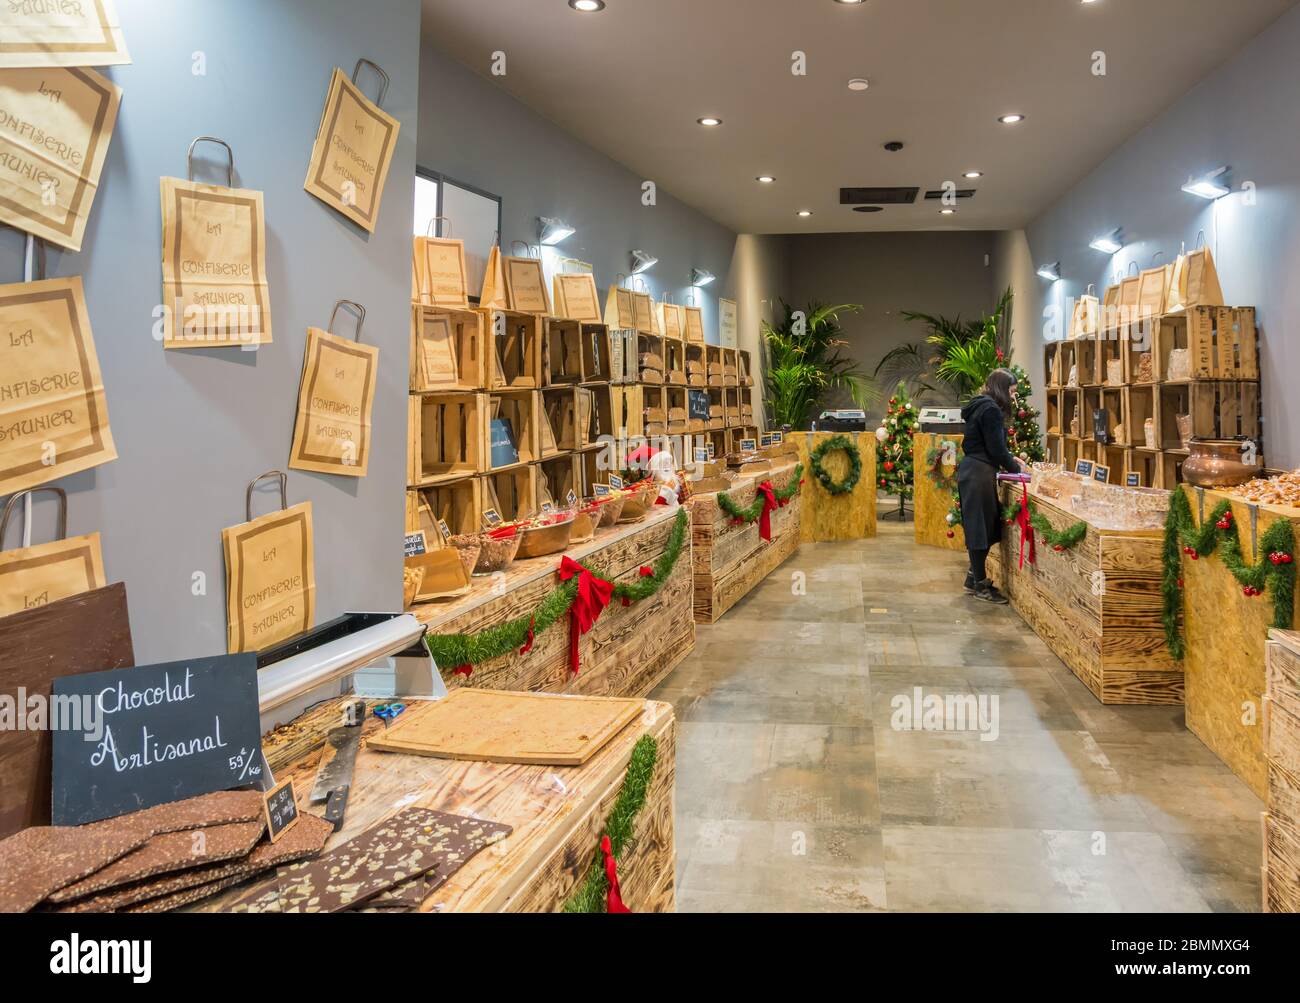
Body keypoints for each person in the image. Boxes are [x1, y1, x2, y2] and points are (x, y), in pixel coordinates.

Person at [957, 368, 1025, 603]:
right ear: (1002, 389)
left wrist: (1009, 459)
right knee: (981, 529)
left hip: (974, 470)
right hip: (979, 473)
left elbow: (990, 446)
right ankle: (979, 585)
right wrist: (1016, 468)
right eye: (1012, 391)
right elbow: (995, 449)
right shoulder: (992, 411)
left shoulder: (980, 405)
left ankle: (973, 577)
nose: (1013, 397)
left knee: (983, 526)